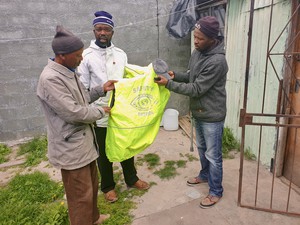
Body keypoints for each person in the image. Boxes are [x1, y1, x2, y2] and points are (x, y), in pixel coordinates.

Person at [36, 25, 116, 224]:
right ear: (62, 56)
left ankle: (93, 218)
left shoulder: (69, 71)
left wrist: (100, 89)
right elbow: (72, 112)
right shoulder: (51, 79)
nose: (82, 59)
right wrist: (100, 111)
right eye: (78, 55)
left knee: (91, 186)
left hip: (83, 144)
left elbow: (82, 99)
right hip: (70, 146)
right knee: (80, 195)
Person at [155, 16, 228, 209]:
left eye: (200, 38)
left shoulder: (217, 61)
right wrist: (175, 75)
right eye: (195, 36)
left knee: (214, 155)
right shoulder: (198, 52)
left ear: (212, 39)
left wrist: (169, 84)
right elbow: (191, 76)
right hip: (199, 111)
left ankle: (215, 191)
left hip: (212, 115)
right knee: (202, 149)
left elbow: (196, 88)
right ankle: (205, 175)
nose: (195, 41)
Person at [77, 11, 149, 203]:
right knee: (104, 151)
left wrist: (150, 77)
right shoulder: (86, 56)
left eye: (106, 29)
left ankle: (131, 179)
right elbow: (83, 89)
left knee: (126, 145)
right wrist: (95, 107)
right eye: (99, 29)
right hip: (100, 111)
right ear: (94, 30)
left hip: (121, 111)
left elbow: (130, 77)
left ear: (112, 32)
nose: (102, 32)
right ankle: (108, 187)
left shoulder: (120, 54)